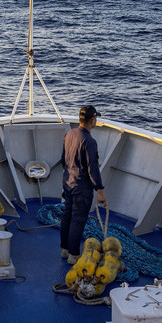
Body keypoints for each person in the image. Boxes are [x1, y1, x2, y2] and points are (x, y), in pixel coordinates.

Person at [60, 105, 107, 264]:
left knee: (67, 216)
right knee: (78, 220)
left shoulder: (69, 134)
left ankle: (65, 250)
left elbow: (63, 160)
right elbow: (92, 169)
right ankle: (74, 255)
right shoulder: (90, 141)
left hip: (68, 183)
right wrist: (99, 191)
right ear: (92, 120)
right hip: (81, 187)